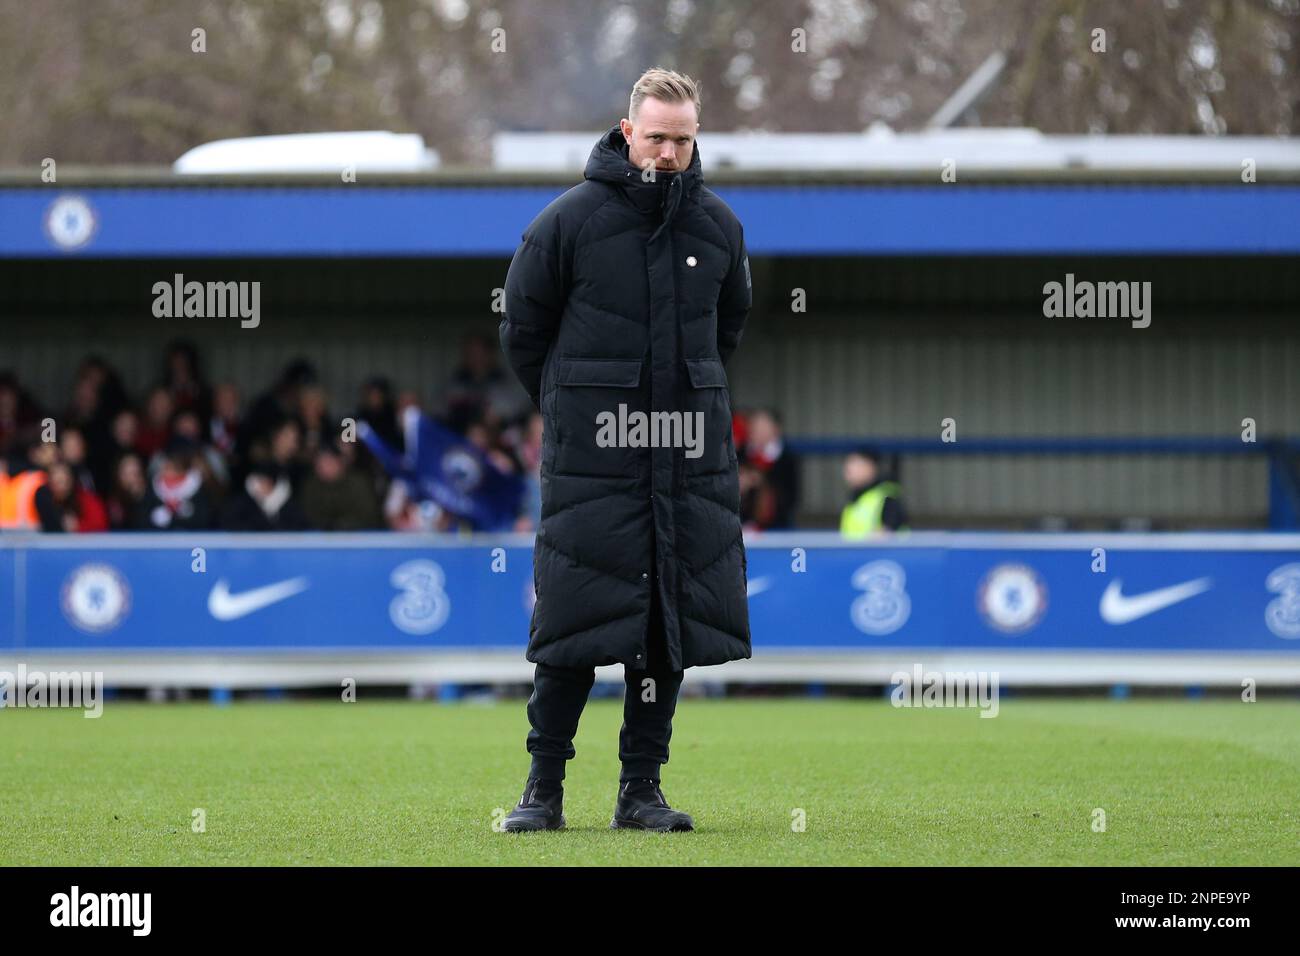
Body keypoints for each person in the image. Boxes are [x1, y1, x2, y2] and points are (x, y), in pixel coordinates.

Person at [497, 67, 752, 833]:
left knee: (662, 632)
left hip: (686, 461)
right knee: (573, 625)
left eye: (682, 138)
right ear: (627, 130)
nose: (669, 151)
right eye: (657, 136)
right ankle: (543, 791)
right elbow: (523, 333)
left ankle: (641, 791)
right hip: (593, 462)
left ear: (694, 136)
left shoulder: (720, 229)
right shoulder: (565, 222)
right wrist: (576, 408)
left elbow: (727, 333)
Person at [840, 447, 909, 537]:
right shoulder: (855, 500)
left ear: (871, 467)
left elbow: (886, 536)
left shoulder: (886, 497)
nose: (849, 471)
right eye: (847, 466)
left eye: (856, 465)